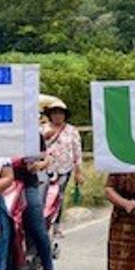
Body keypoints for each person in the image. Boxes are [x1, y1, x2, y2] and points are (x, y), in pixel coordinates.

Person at [12, 145, 56, 270]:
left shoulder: (31, 132)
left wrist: (39, 165)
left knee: (37, 226)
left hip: (26, 184)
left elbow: (46, 158)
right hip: (0, 186)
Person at [40, 99, 84, 241]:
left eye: (60, 113)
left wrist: (78, 171)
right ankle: (43, 224)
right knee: (44, 196)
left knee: (59, 196)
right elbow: (36, 147)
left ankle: (57, 226)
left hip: (64, 168)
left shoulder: (71, 131)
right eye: (55, 113)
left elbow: (77, 151)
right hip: (45, 168)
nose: (58, 116)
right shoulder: (42, 129)